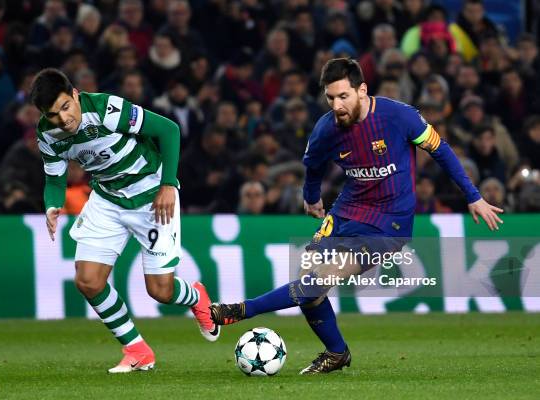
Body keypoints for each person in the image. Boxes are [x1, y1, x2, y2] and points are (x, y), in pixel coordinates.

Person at [209, 58, 503, 374]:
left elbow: (440, 150)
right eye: (330, 98)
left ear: (362, 90)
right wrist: (311, 197)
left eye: (343, 96)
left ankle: (240, 311)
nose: (337, 105)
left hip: (389, 224)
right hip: (346, 211)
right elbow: (313, 165)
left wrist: (473, 197)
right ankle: (337, 353)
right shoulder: (325, 129)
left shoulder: (399, 116)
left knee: (314, 282)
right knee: (310, 289)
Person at [29, 68, 219, 374]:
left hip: (151, 195)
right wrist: (53, 205)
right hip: (107, 199)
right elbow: (54, 179)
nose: (63, 119)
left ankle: (197, 297)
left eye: (66, 107)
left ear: (75, 94)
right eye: (53, 115)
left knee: (160, 291)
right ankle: (136, 350)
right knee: (88, 281)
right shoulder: (47, 135)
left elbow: (168, 130)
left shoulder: (107, 109)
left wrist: (168, 184)